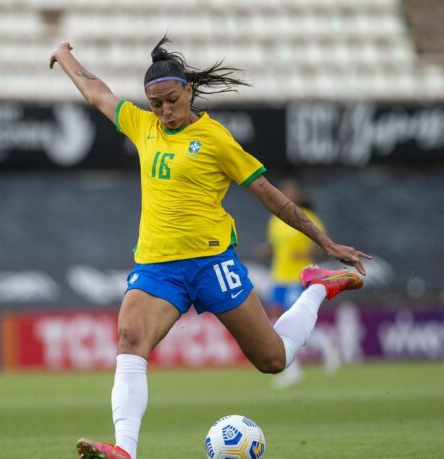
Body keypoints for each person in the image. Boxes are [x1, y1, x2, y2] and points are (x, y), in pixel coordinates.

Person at [49, 36, 371, 459]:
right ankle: (124, 450)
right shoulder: (142, 124)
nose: (164, 111)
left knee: (273, 359)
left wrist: (324, 242)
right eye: (155, 103)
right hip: (157, 267)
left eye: (170, 100)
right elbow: (97, 93)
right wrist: (65, 54)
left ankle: (316, 287)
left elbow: (270, 194)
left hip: (212, 264)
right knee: (130, 337)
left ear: (189, 91)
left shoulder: (216, 139)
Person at [258, 179, 340, 388]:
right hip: (279, 276)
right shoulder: (276, 219)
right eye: (285, 190)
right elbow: (275, 245)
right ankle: (293, 371)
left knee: (294, 321)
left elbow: (322, 241)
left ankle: (325, 345)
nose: (287, 193)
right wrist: (264, 250)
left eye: (291, 190)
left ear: (299, 195)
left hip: (299, 276)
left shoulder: (308, 217)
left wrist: (304, 253)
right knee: (276, 323)